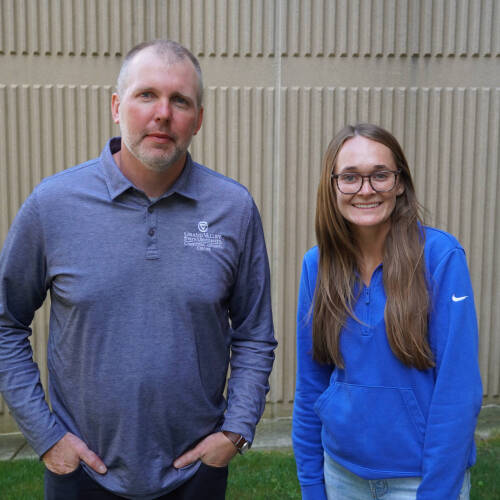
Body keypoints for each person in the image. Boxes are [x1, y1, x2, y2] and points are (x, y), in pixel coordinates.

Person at [0, 39, 276, 499]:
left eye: (180, 100)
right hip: (81, 475)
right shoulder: (54, 205)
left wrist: (235, 432)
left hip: (195, 476)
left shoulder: (233, 209)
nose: (163, 113)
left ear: (199, 119)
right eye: (146, 95)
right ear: (116, 107)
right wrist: (47, 438)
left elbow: (254, 333)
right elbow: (6, 323)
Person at [292, 123, 482, 500]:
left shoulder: (441, 258)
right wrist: (313, 485)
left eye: (380, 175)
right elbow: (311, 383)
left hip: (419, 480)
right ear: (333, 186)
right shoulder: (318, 266)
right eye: (350, 177)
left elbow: (458, 392)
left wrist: (437, 491)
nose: (366, 190)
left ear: (399, 183)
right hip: (341, 474)